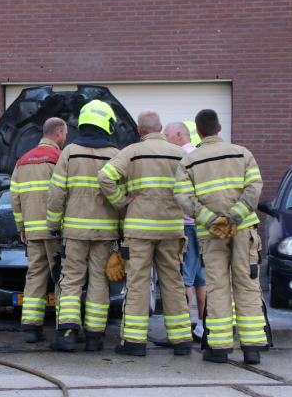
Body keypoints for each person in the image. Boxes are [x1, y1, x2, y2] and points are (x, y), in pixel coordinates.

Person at [174, 109, 270, 364]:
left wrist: (211, 220)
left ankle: (218, 348)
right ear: (218, 129)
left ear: (199, 132)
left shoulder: (189, 161)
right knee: (247, 285)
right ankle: (251, 349)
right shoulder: (242, 153)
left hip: (211, 233)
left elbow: (183, 197)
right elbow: (254, 188)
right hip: (245, 231)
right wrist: (234, 217)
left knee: (216, 287)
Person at [98, 111, 193, 357]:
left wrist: (121, 202)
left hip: (139, 230)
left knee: (138, 283)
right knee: (173, 281)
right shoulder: (180, 153)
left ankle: (134, 343)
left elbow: (105, 177)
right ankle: (182, 340)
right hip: (172, 229)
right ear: (160, 128)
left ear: (140, 131)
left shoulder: (130, 152)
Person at [46, 101, 121, 352]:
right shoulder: (116, 155)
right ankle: (95, 337)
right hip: (105, 233)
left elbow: (56, 192)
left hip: (75, 233)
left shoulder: (70, 152)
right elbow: (123, 195)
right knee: (100, 280)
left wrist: (53, 224)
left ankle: (67, 333)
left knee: (71, 280)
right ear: (107, 124)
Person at [10, 117, 68, 343]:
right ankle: (66, 326)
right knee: (63, 277)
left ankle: (31, 328)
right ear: (58, 133)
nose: (65, 139)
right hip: (56, 230)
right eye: (65, 135)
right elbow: (65, 193)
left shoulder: (22, 161)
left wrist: (21, 227)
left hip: (33, 232)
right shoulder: (59, 158)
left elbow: (14, 198)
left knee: (35, 276)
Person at [165, 121, 206, 343]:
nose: (165, 139)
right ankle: (201, 327)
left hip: (186, 225)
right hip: (203, 225)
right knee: (201, 279)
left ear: (180, 135)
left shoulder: (182, 157)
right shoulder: (201, 155)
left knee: (185, 279)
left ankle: (182, 332)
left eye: (167, 135)